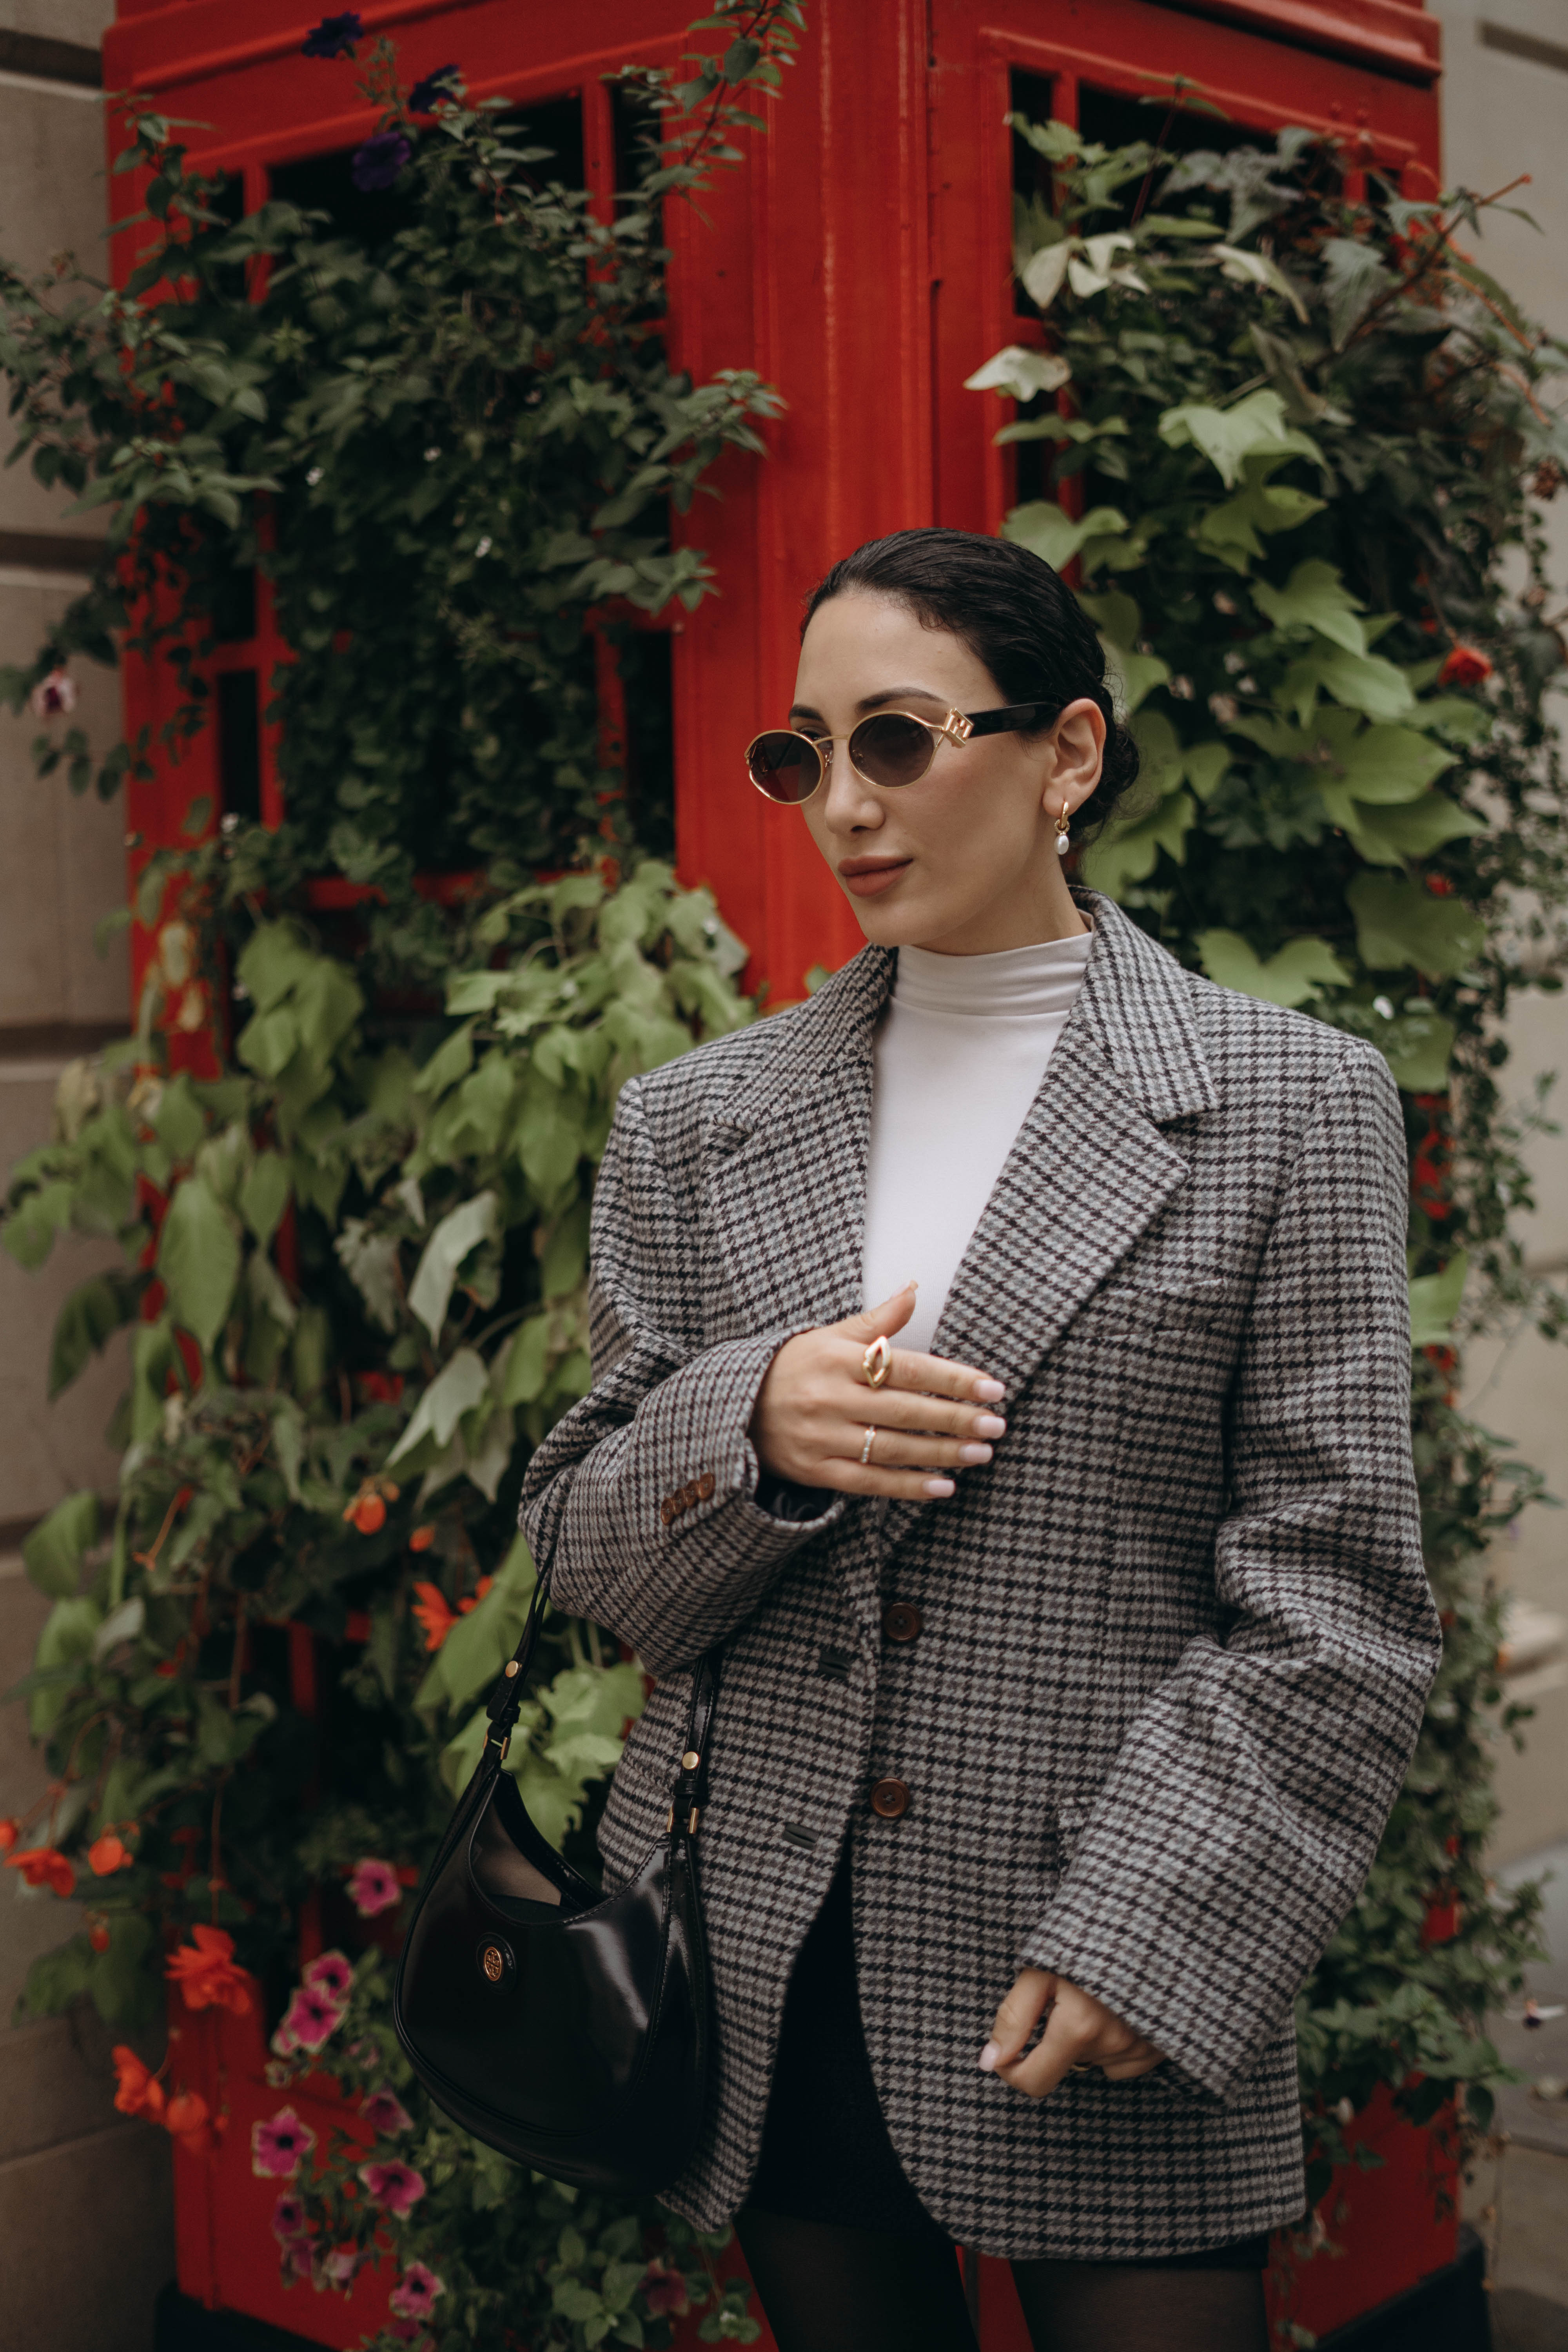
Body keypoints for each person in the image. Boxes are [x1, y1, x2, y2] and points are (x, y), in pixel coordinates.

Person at [521, 527, 1441, 2352]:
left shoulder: (1292, 1104)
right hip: (773, 1957)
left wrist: (1156, 1933)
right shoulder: (694, 1121)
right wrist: (752, 1421)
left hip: (1094, 1948)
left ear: (1066, 754)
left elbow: (1335, 1603)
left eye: (895, 740)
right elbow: (583, 1543)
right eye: (803, 754)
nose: (843, 805)